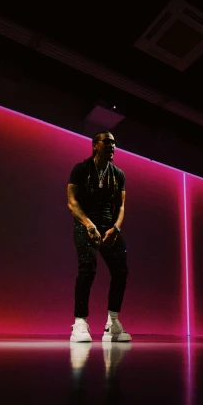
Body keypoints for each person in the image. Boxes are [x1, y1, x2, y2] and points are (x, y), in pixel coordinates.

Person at [66, 131, 132, 342]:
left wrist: (116, 228)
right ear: (95, 145)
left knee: (121, 270)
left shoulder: (119, 174)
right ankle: (80, 323)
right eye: (107, 142)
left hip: (108, 225)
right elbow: (72, 202)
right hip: (84, 223)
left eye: (114, 142)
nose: (112, 146)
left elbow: (121, 206)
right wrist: (88, 225)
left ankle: (112, 324)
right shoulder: (81, 169)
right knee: (88, 267)